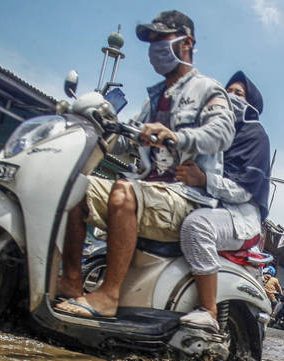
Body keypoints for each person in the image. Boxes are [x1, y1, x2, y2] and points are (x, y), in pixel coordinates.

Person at [55, 10, 235, 318]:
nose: (154, 48)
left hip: (186, 199)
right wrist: (100, 127)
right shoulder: (155, 98)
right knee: (73, 187)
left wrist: (178, 137)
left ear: (186, 42)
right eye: (151, 42)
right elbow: (131, 141)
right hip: (150, 193)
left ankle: (108, 296)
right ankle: (71, 281)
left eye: (161, 39)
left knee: (124, 192)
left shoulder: (208, 89)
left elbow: (222, 131)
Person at [177, 71, 271, 331]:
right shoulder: (213, 132)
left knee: (197, 227)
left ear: (250, 102)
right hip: (204, 202)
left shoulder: (255, 137)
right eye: (226, 92)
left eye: (238, 93)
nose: (230, 97)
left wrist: (203, 179)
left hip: (238, 217)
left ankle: (208, 309)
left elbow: (244, 190)